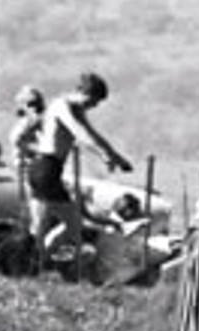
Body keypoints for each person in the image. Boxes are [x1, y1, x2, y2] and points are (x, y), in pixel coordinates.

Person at [26, 72, 133, 266]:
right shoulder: (62, 106)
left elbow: (94, 135)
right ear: (80, 91)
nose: (93, 106)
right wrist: (106, 156)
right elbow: (81, 134)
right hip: (45, 168)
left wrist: (116, 157)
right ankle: (42, 261)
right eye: (92, 100)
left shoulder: (76, 109)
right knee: (72, 224)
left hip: (46, 169)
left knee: (42, 225)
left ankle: (37, 263)